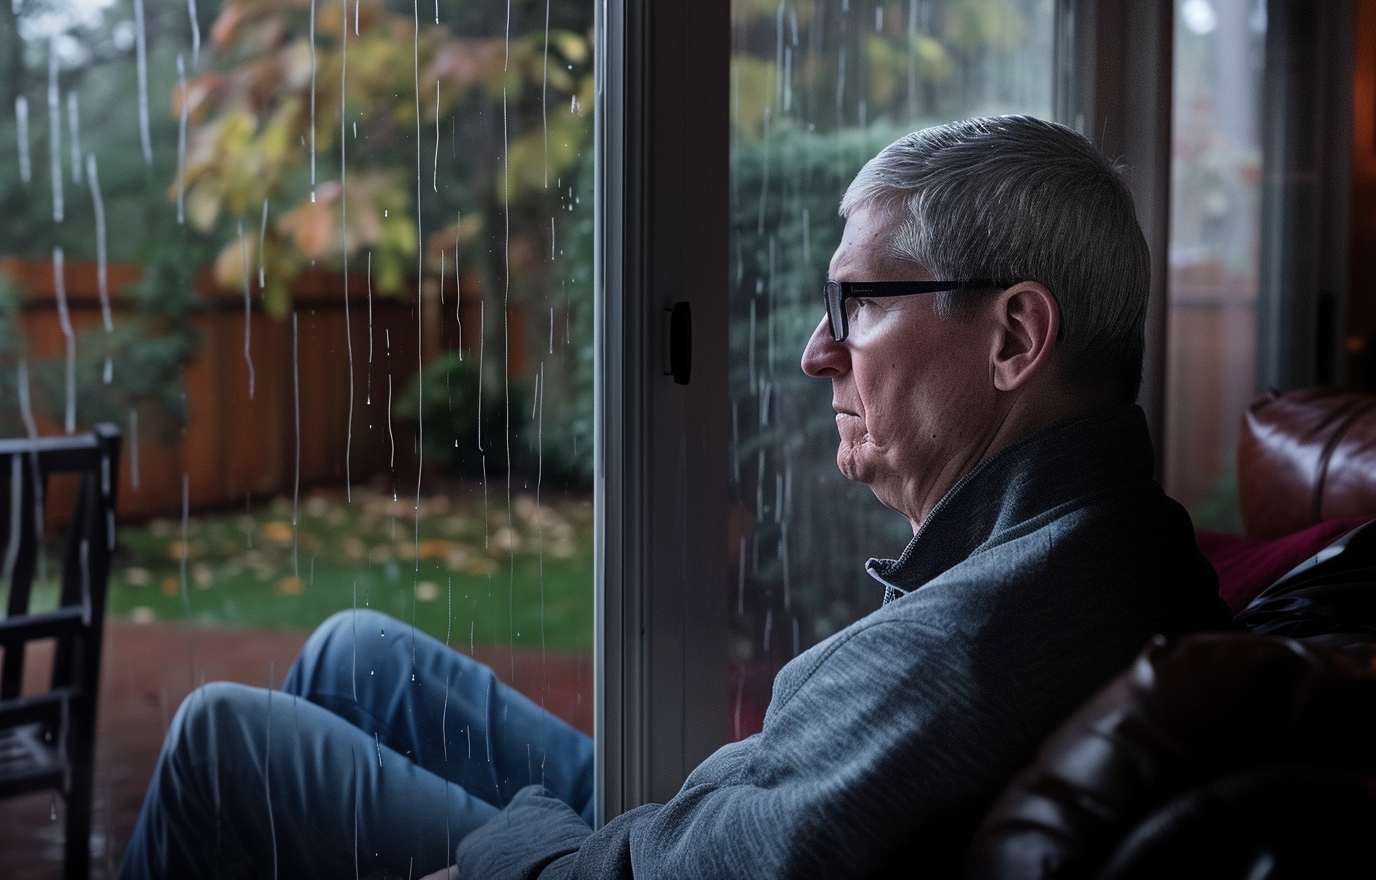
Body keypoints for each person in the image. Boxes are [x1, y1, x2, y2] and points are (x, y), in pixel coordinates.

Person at [118, 115, 1230, 879]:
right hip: (694, 816)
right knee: (357, 649)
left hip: (650, 856)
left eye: (857, 304)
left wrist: (515, 843)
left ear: (1014, 336)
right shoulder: (1104, 539)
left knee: (224, 739)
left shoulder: (979, 639)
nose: (813, 352)